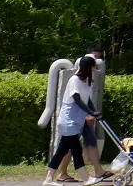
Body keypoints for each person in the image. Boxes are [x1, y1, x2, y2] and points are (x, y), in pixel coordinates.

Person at [43, 56, 106, 186]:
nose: (95, 69)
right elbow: (77, 99)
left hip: (77, 121)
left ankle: (48, 179)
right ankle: (86, 178)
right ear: (89, 67)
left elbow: (87, 100)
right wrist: (91, 112)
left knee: (61, 151)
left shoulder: (88, 81)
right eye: (93, 66)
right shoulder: (74, 80)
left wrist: (94, 113)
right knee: (76, 149)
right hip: (68, 121)